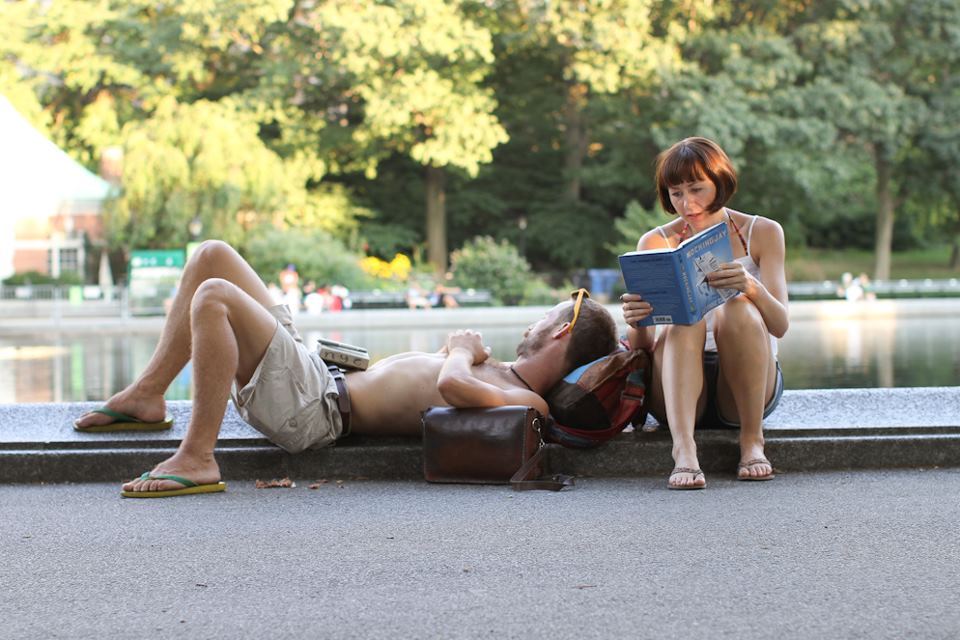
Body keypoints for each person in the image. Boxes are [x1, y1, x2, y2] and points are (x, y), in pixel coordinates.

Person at [73, 241, 618, 497]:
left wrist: (459, 349)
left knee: (215, 296)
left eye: (544, 316)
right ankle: (147, 394)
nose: (532, 323)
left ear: (562, 331)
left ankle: (197, 457)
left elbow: (452, 387)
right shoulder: (497, 367)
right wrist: (471, 353)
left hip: (314, 410)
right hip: (314, 374)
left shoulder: (531, 401)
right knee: (211, 256)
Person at [621, 136, 788, 489]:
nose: (687, 203)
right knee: (686, 317)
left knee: (737, 309)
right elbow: (642, 347)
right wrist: (637, 319)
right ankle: (683, 451)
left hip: (745, 381)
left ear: (720, 182)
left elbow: (780, 325)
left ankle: (752, 441)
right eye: (676, 193)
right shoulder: (655, 242)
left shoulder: (763, 232)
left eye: (697, 189)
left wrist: (749, 286)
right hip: (676, 385)